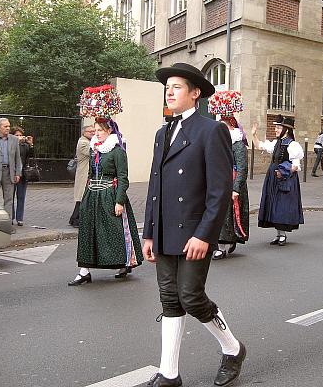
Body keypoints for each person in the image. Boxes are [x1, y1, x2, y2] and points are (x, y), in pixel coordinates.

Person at [143, 63, 245, 387]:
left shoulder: (211, 130)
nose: (169, 92)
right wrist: (148, 232)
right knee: (169, 299)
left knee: (190, 296)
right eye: (167, 87)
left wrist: (204, 235)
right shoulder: (162, 133)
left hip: (193, 232)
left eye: (176, 87)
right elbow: (154, 187)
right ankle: (169, 374)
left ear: (195, 93)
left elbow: (219, 192)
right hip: (163, 231)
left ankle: (233, 349)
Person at [68, 117, 143, 285]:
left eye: (100, 130)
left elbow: (123, 178)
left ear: (109, 131)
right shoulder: (95, 149)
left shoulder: (117, 151)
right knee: (88, 232)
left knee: (115, 232)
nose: (97, 134)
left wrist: (119, 201)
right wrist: (86, 195)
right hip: (92, 196)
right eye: (95, 131)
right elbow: (89, 174)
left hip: (110, 195)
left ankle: (124, 264)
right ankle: (84, 271)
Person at [251, 115, 305, 246]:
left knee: (282, 205)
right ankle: (279, 234)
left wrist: (284, 171)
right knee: (274, 204)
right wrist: (254, 135)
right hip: (273, 176)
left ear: (286, 129)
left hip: (286, 178)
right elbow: (260, 147)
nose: (275, 129)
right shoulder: (277, 143)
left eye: (278, 127)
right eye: (275, 127)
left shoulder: (293, 145)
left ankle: (282, 235)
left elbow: (296, 166)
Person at [213, 115, 249, 260]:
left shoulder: (238, 145)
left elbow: (242, 168)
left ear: (231, 127)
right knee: (217, 214)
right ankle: (222, 243)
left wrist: (236, 189)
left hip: (232, 183)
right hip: (219, 182)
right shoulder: (219, 144)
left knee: (227, 216)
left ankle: (223, 246)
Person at [69, 125, 95, 227]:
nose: (93, 133)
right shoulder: (83, 142)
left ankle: (74, 219)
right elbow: (92, 152)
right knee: (81, 198)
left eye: (94, 131)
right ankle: (76, 220)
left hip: (86, 173)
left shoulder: (87, 141)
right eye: (90, 132)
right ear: (84, 132)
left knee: (82, 198)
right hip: (84, 174)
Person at [10, 126, 34, 227]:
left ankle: (20, 218)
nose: (19, 137)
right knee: (10, 197)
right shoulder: (9, 144)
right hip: (11, 173)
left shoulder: (25, 145)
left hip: (23, 174)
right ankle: (11, 217)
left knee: (21, 196)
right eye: (16, 135)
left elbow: (32, 156)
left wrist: (31, 144)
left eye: (20, 135)